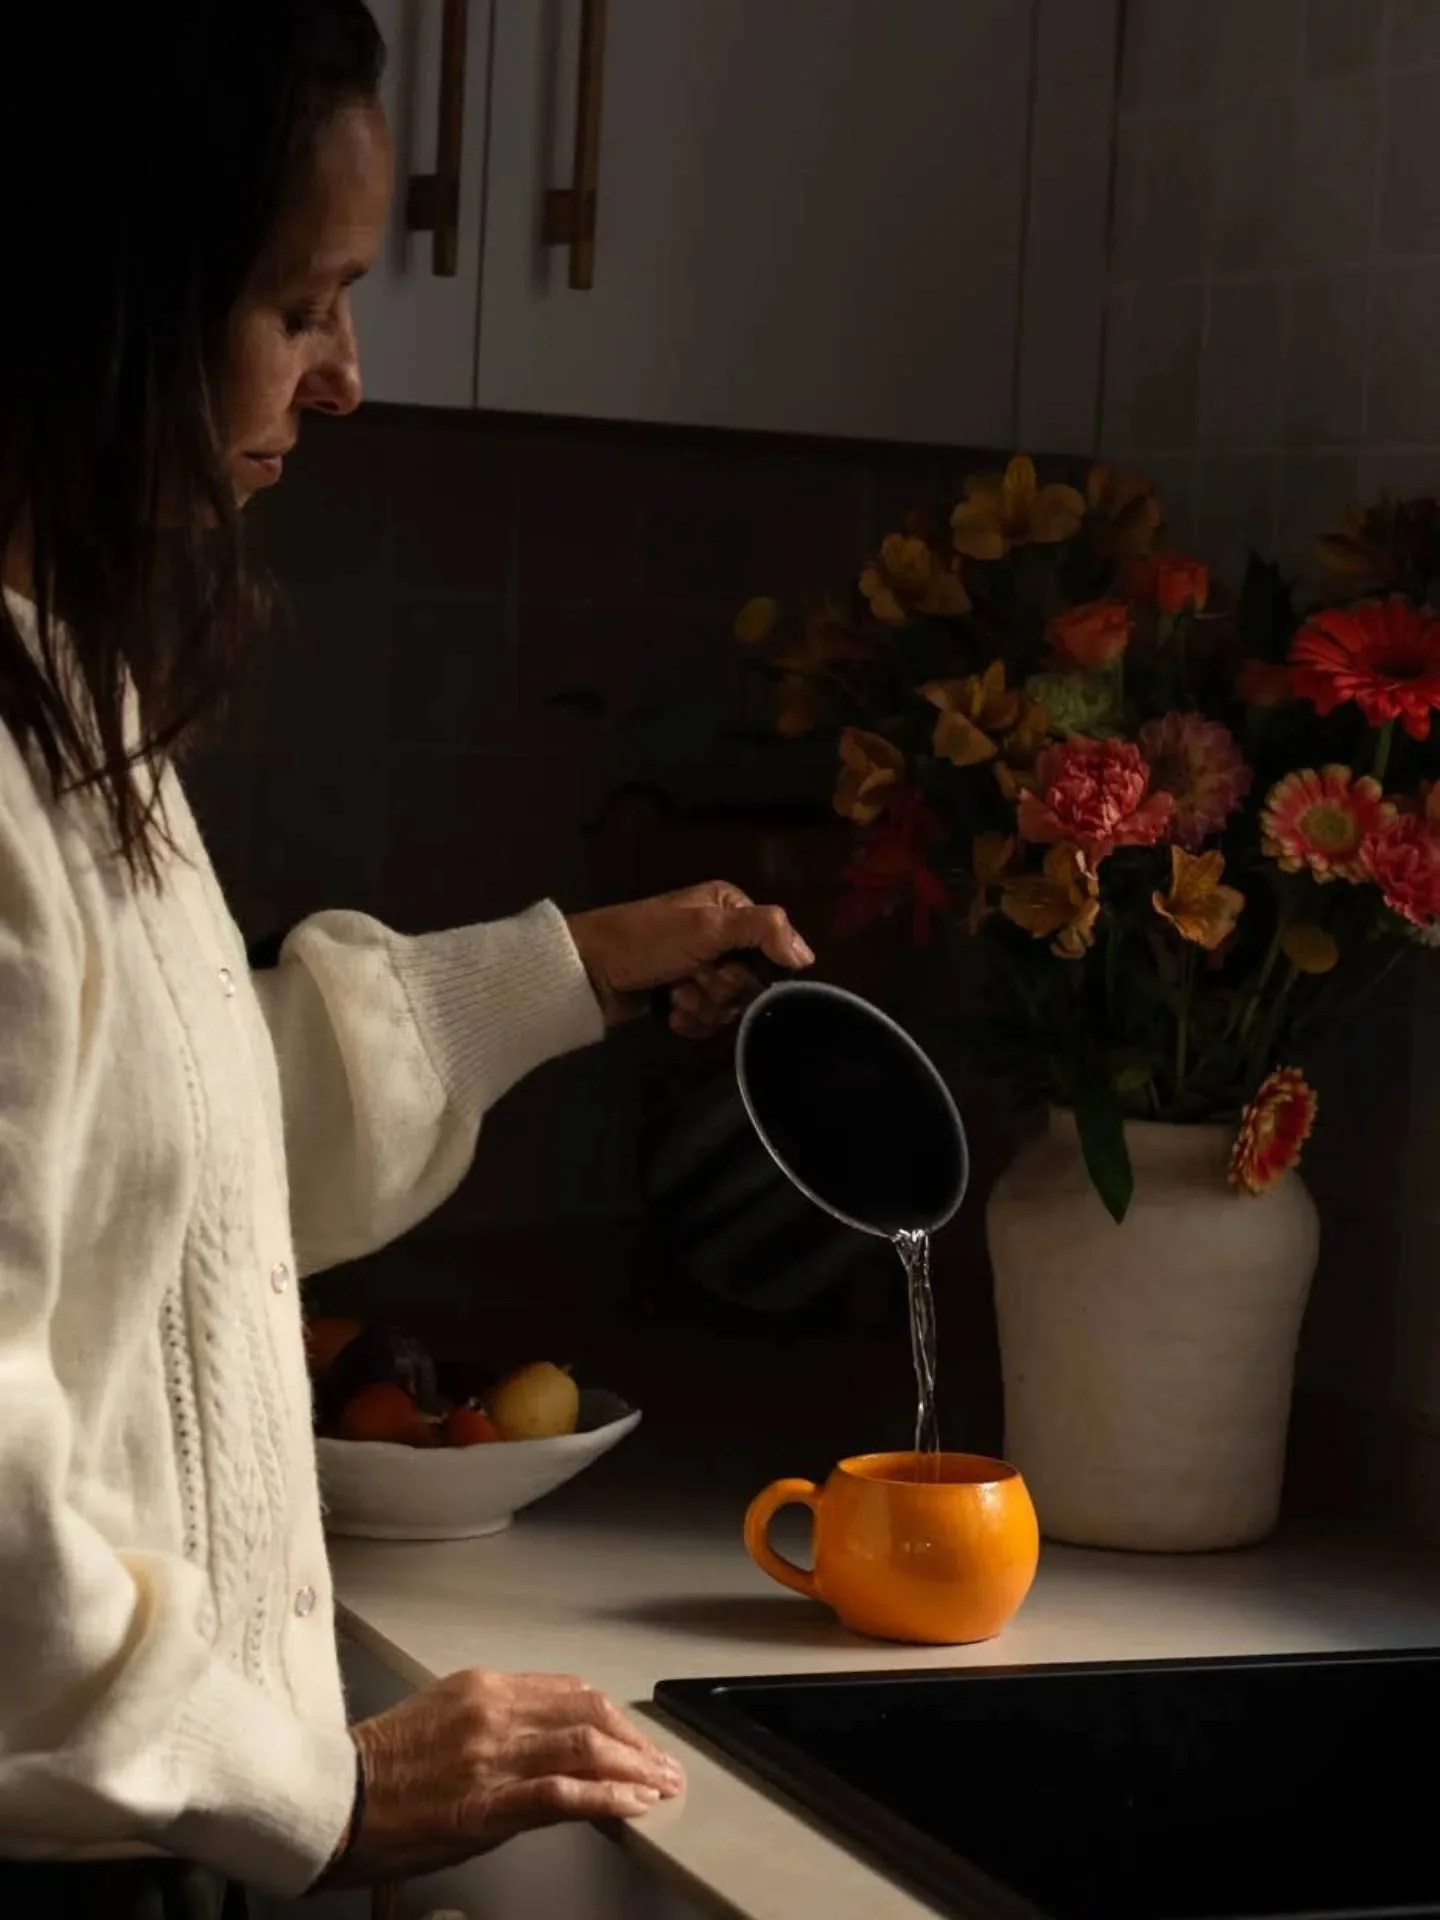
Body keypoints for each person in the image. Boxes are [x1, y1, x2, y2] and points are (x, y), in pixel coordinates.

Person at [0, 6, 814, 1915]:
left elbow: (169, 1158)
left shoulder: (62, 687)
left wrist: (577, 971)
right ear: (93, 307)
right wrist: (318, 1780)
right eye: (300, 307)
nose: (351, 377)